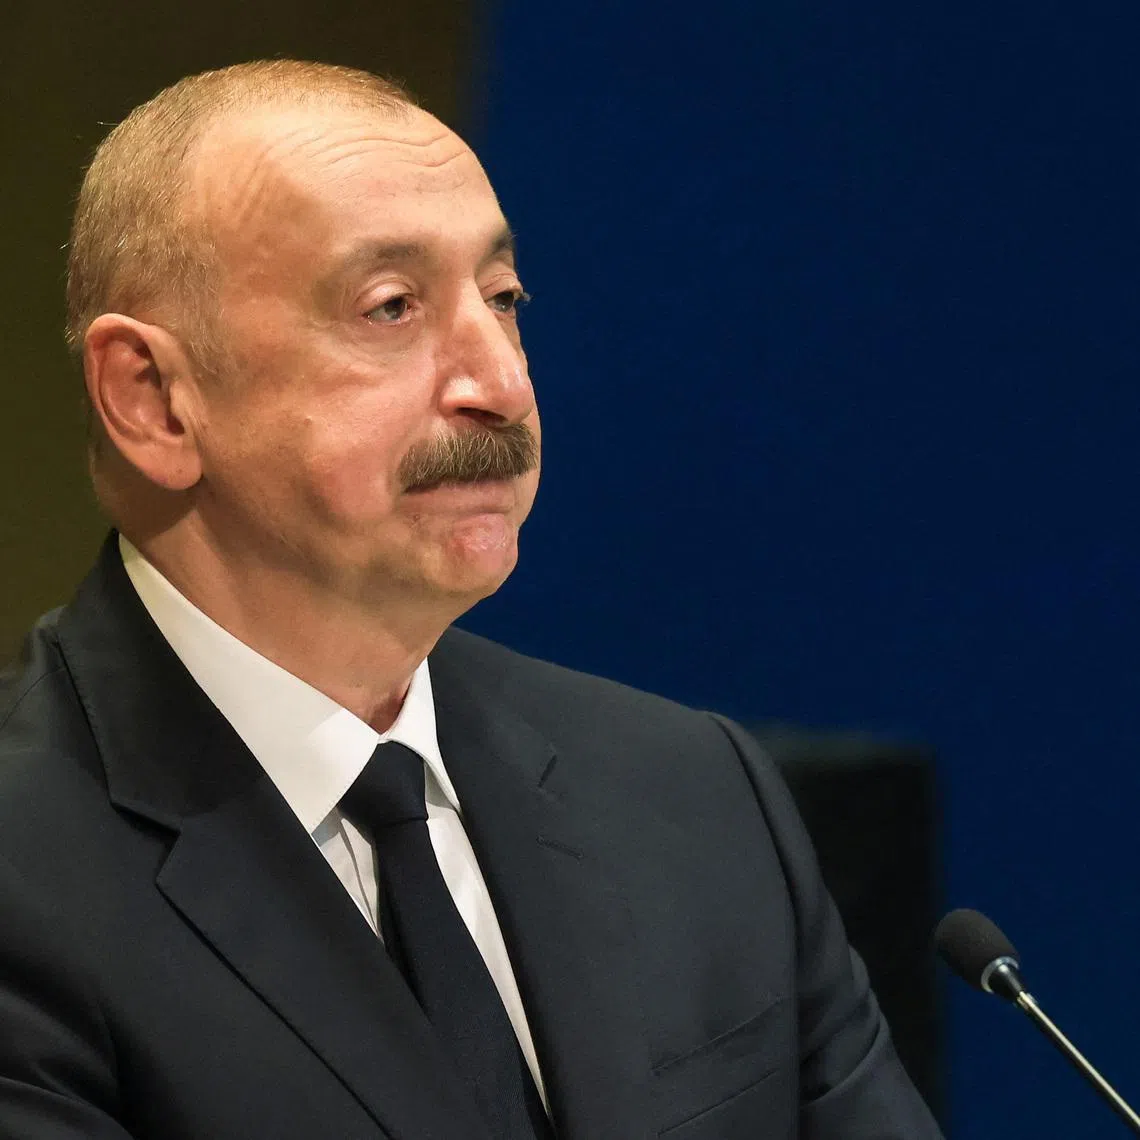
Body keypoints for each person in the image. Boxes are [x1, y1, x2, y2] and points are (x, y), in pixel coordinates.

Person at [0, 60, 942, 1139]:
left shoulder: (696, 793)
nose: (500, 384)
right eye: (390, 308)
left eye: (504, 301)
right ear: (154, 400)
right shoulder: (25, 879)